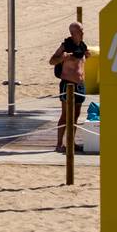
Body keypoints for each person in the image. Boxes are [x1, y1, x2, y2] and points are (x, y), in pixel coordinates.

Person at [51, 22, 88, 152]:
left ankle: (71, 142)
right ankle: (59, 144)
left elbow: (80, 63)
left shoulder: (82, 46)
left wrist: (86, 56)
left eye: (82, 30)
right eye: (80, 31)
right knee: (66, 115)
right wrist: (63, 57)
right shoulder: (65, 46)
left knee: (76, 115)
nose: (83, 33)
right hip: (68, 84)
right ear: (73, 33)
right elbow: (52, 61)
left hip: (80, 85)